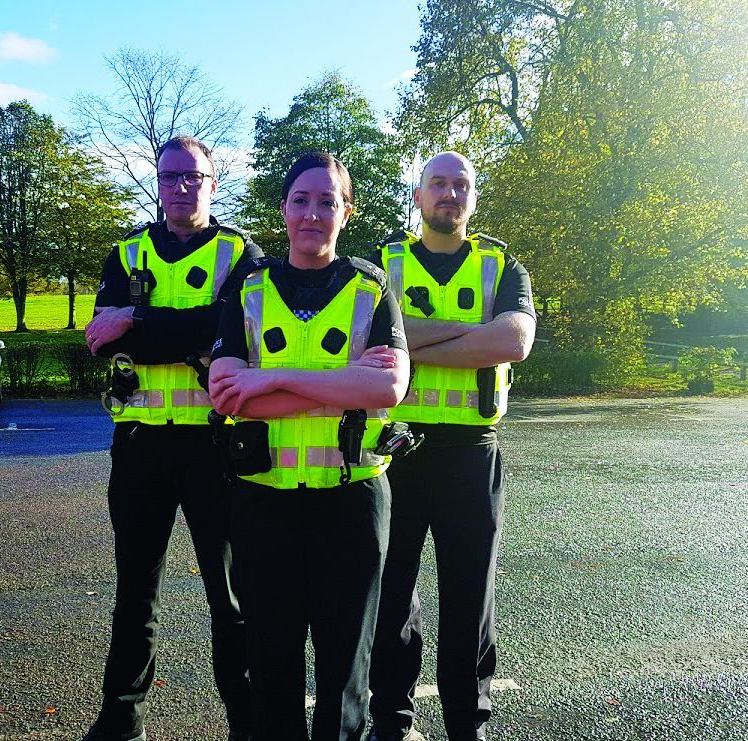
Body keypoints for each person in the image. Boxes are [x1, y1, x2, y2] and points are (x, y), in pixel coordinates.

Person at [209, 151, 410, 740]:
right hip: (264, 503)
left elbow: (389, 386)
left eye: (328, 201)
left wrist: (270, 378)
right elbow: (227, 395)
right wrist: (342, 386)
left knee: (346, 671)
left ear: (347, 211)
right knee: (271, 667)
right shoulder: (247, 286)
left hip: (350, 500)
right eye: (301, 199)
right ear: (283, 209)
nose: (313, 213)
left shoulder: (370, 285)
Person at [82, 135, 262, 741]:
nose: (181, 187)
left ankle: (246, 719)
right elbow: (103, 341)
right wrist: (182, 334)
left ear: (214, 183)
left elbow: (233, 334)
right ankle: (120, 720)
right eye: (170, 176)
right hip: (140, 447)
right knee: (135, 593)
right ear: (157, 182)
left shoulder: (241, 253)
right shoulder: (126, 252)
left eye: (194, 177)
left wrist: (135, 319)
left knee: (231, 596)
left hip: (216, 449)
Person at [367, 151, 537, 741]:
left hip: (472, 449)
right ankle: (393, 720)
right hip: (394, 448)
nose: (450, 194)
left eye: (461, 185)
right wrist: (473, 339)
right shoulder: (382, 266)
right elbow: (369, 342)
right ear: (417, 195)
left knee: (470, 597)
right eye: (438, 183)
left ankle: (469, 725)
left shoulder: (502, 265)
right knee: (392, 598)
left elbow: (513, 341)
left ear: (473, 198)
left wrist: (410, 342)